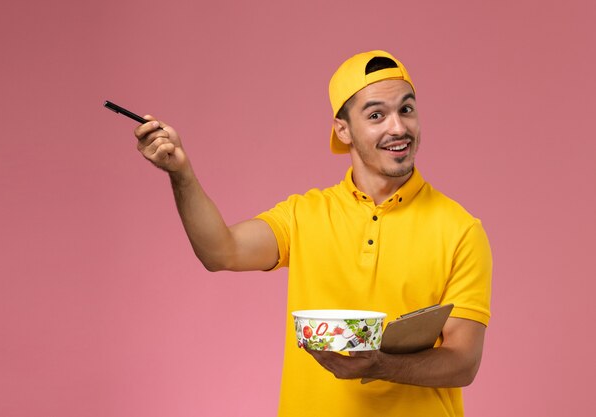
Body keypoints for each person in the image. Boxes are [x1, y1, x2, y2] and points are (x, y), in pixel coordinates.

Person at [134, 50, 492, 417]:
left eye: (407, 109)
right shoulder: (304, 215)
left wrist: (379, 366)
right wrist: (182, 174)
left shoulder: (460, 230)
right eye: (376, 115)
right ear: (343, 130)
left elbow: (463, 362)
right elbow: (220, 251)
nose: (398, 128)